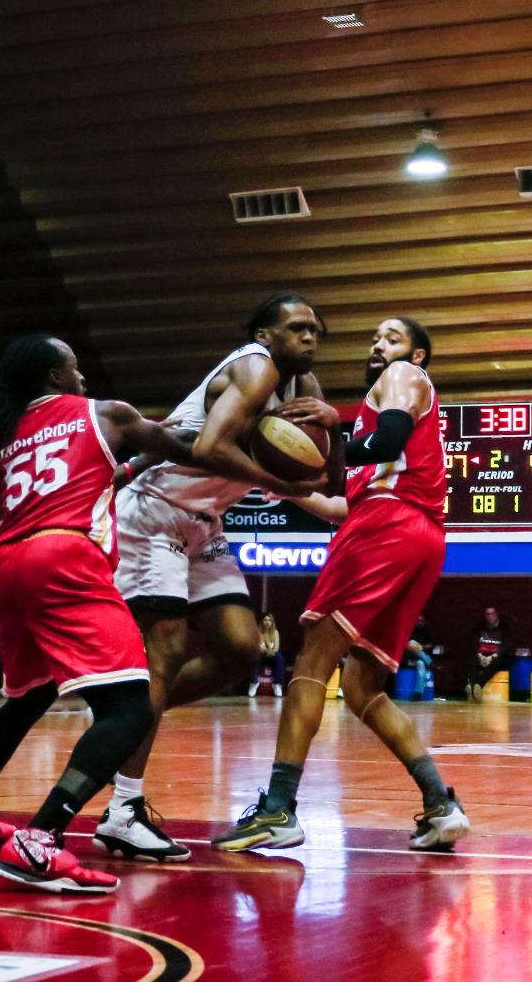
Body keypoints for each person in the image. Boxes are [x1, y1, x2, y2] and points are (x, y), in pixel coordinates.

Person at [0, 333, 315, 893]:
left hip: (7, 563)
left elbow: (71, 479)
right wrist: (261, 439)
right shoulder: (105, 414)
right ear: (56, 377)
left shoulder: (2, 440)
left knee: (27, 697)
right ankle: (43, 838)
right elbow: (193, 447)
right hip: (65, 555)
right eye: (75, 369)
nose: (83, 378)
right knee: (130, 709)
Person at [213, 317, 468, 854]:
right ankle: (440, 804)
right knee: (361, 688)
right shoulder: (392, 434)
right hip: (420, 537)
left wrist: (330, 439)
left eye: (393, 338)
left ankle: (279, 808)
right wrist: (281, 483)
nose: (380, 345)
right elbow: (338, 506)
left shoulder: (401, 379)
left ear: (417, 356)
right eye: (375, 337)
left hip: (389, 526)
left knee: (310, 664)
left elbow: (386, 439)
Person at [103, 292, 337, 861]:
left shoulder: (302, 389)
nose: (308, 337)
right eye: (296, 328)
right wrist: (284, 486)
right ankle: (122, 807)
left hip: (203, 522)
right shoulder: (255, 366)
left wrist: (333, 430)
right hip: (156, 507)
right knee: (167, 648)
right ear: (265, 335)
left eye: (315, 330)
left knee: (242, 648)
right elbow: (209, 447)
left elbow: (317, 465)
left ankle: (117, 724)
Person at [469, 605, 510, 696]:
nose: (490, 617)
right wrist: (480, 656)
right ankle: (472, 688)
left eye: (492, 614)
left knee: (496, 663)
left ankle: (478, 685)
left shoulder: (505, 628)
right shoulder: (479, 627)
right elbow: (474, 643)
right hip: (482, 654)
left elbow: (506, 646)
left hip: (496, 656)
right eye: (487, 614)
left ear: (497, 615)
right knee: (473, 661)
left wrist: (491, 657)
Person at [247, 614, 285, 698]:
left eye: (269, 620)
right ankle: (254, 683)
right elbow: (258, 648)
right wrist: (265, 649)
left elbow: (276, 648)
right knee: (254, 656)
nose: (267, 622)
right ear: (262, 621)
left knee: (279, 656)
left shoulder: (275, 633)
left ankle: (277, 685)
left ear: (272, 622)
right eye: (265, 620)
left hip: (271, 657)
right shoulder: (258, 632)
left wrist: (267, 648)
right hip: (260, 657)